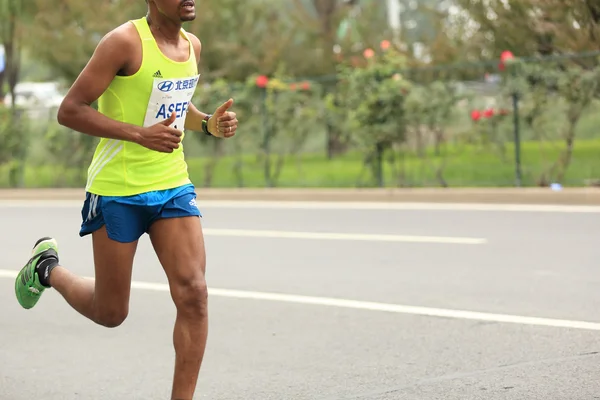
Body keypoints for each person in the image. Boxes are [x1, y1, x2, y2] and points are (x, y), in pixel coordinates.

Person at [14, 0, 238, 398]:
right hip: (118, 190)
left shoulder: (193, 46)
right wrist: (138, 134)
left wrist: (207, 123)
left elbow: (172, 104)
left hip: (173, 185)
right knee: (111, 312)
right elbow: (70, 110)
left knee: (195, 294)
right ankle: (47, 268)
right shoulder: (123, 42)